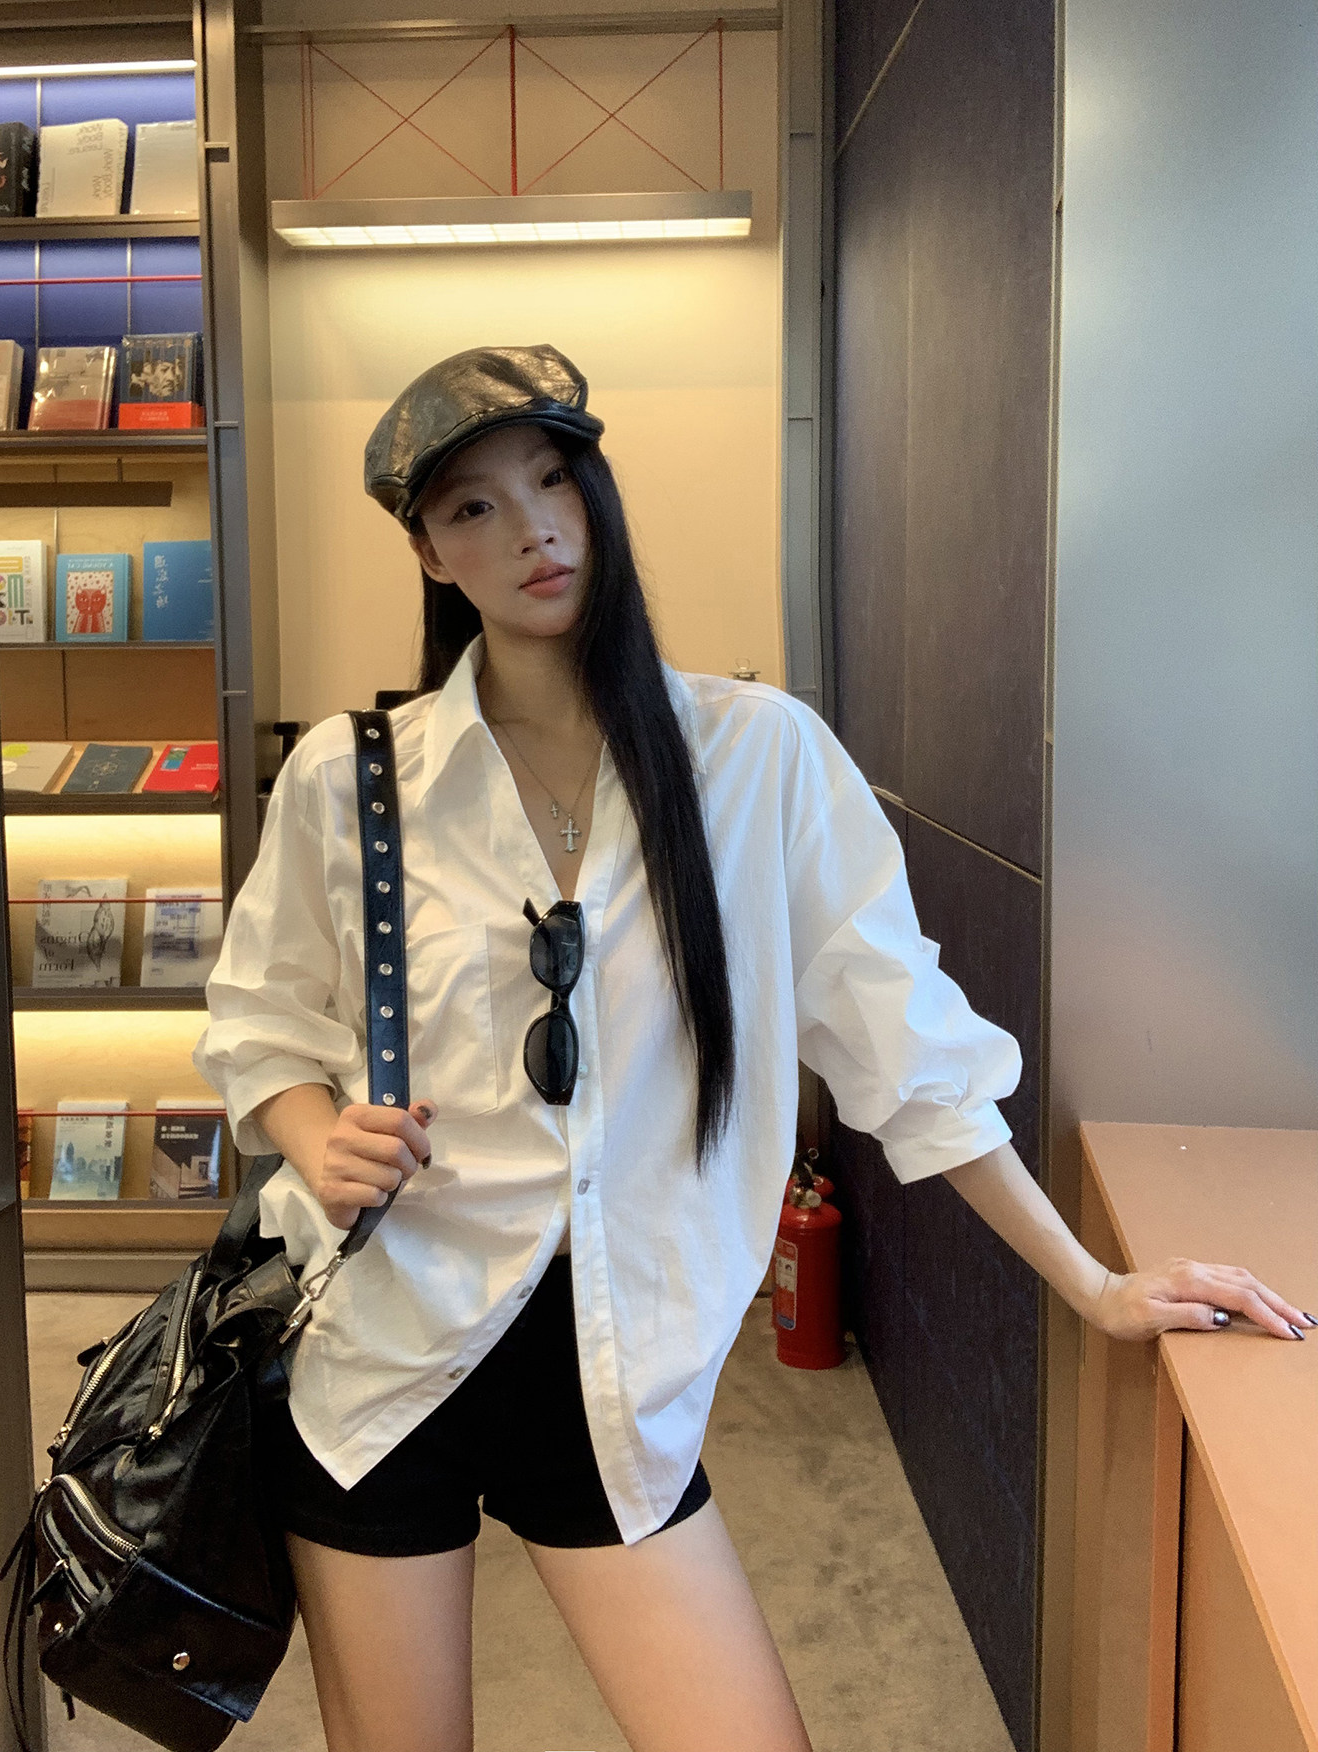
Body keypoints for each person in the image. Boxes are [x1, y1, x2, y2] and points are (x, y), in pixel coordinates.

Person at [193, 346, 1312, 1752]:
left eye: (553, 481)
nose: (531, 529)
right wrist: (316, 1138)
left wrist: (1095, 1283)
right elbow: (261, 1020)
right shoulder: (355, 777)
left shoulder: (757, 756)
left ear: (597, 494)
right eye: (473, 507)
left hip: (616, 1376)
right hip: (380, 1357)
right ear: (428, 551)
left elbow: (908, 1048)